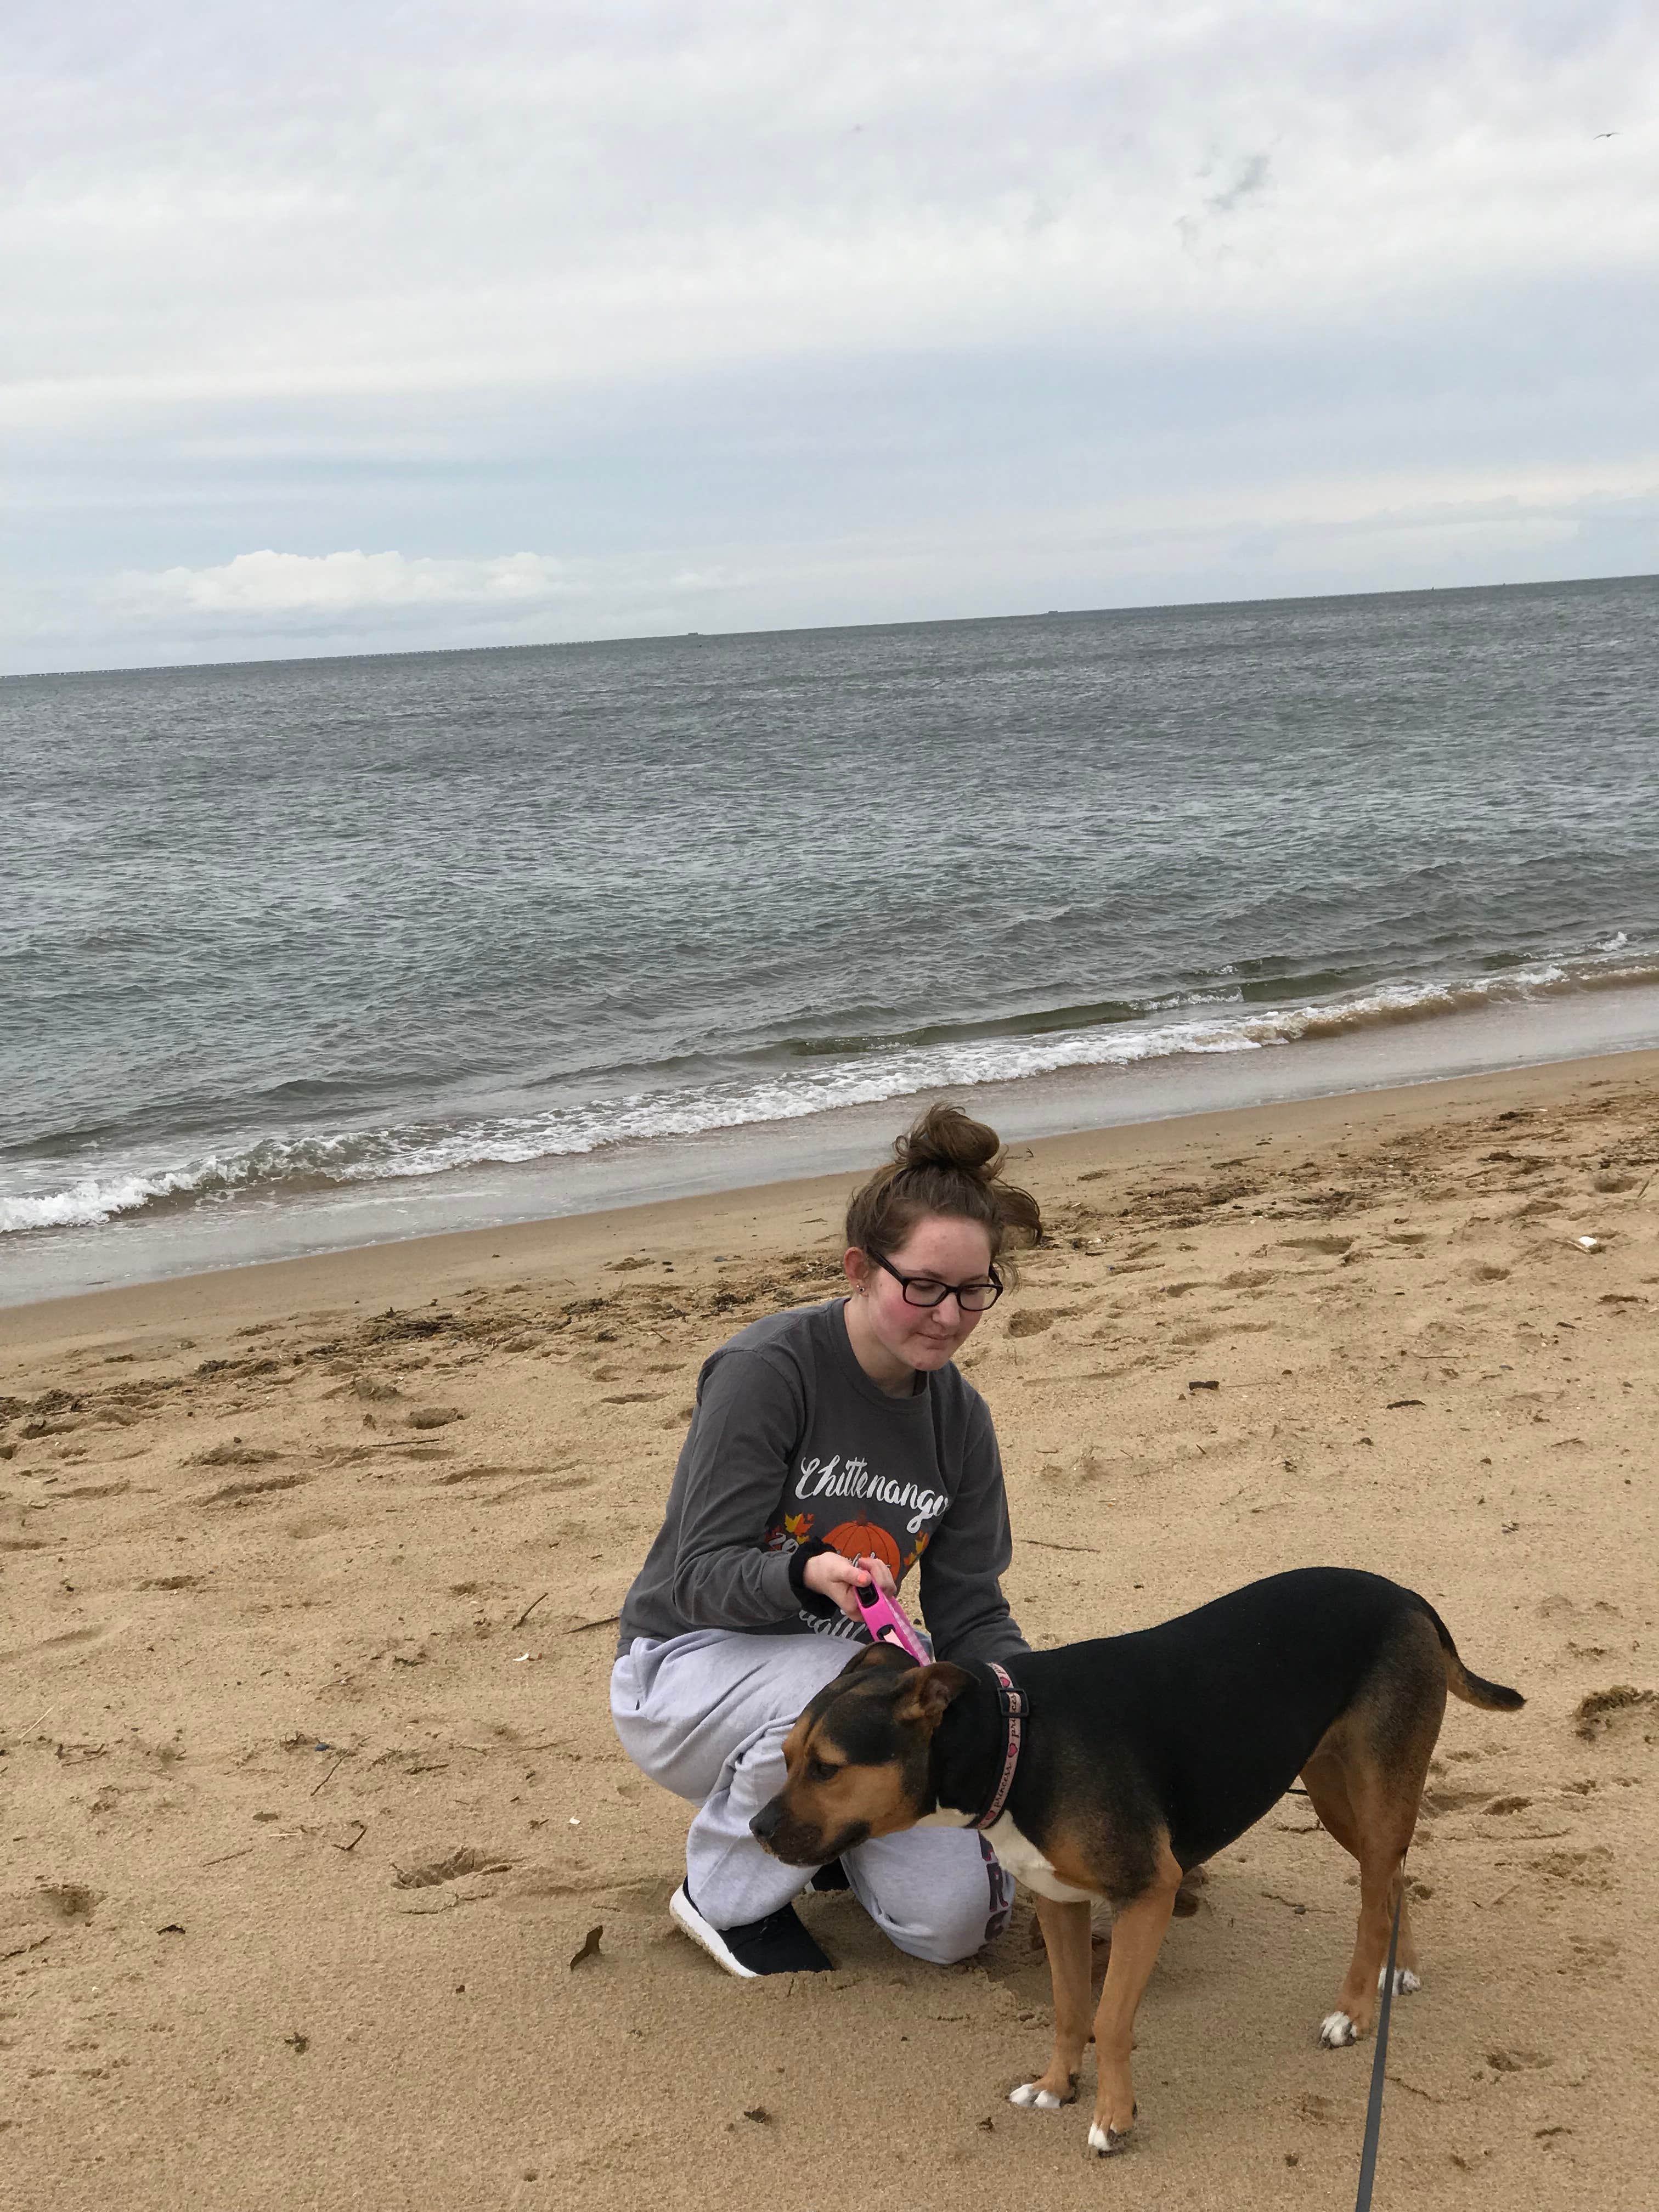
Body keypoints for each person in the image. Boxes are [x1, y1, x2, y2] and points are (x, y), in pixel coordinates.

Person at [610, 1101, 1042, 1978]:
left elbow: (969, 1608)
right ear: (860, 1269)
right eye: (922, 1285)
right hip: (685, 1669)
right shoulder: (770, 1373)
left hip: (847, 1694)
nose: (949, 1316)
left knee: (954, 1928)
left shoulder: (960, 1421)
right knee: (839, 1673)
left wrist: (1036, 1709)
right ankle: (723, 1898)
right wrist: (802, 1574)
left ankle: (837, 1836)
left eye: (972, 1290)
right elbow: (696, 1575)